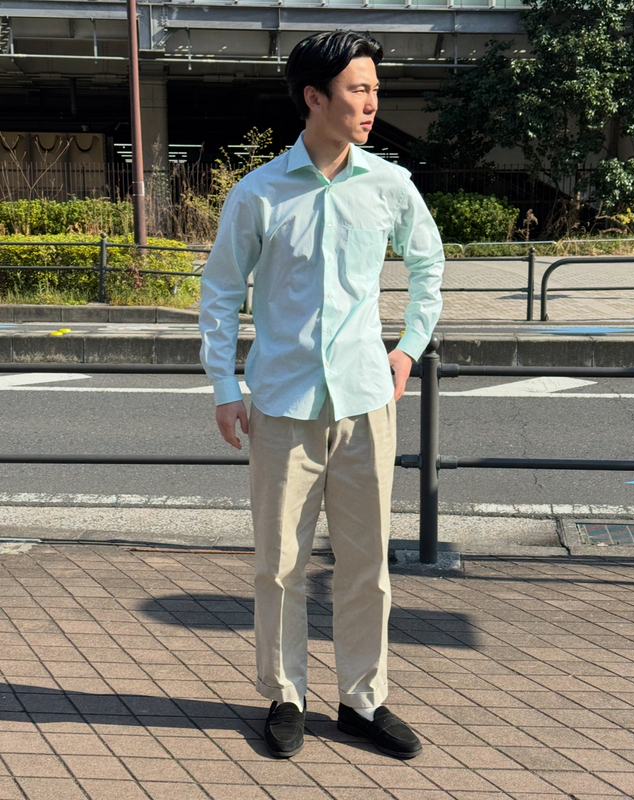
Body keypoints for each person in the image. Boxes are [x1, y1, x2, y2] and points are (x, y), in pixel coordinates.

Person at [200, 30, 444, 760]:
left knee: (367, 565)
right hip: (281, 404)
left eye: (374, 90)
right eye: (357, 90)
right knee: (278, 563)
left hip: (366, 401)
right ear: (314, 97)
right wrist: (224, 386)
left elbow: (429, 266)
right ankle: (285, 694)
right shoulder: (260, 193)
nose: (371, 104)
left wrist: (408, 347)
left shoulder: (390, 185)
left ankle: (363, 700)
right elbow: (220, 292)